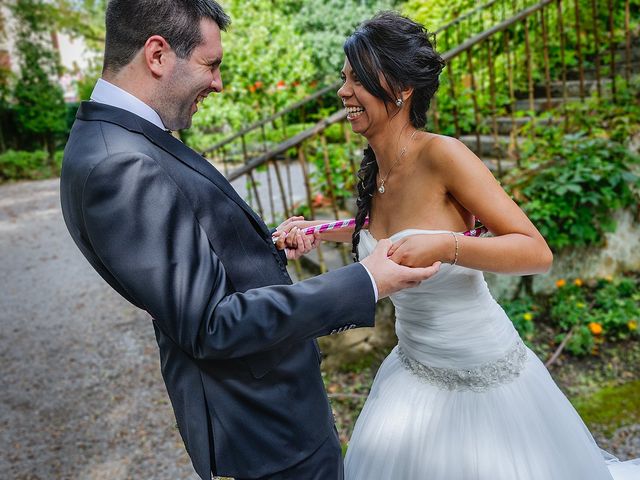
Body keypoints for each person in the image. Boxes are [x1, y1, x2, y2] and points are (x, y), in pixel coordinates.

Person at [59, 2, 441, 479]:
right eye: (211, 64)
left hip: (265, 411)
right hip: (265, 431)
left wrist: (263, 245)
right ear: (157, 54)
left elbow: (190, 260)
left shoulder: (120, 139)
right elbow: (211, 323)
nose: (218, 83)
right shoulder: (121, 164)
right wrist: (364, 281)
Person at [282, 11, 640, 480]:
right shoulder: (378, 165)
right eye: (344, 79)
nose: (343, 92)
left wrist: (447, 247)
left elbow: (535, 250)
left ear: (400, 88)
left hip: (483, 373)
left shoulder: (443, 154)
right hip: (412, 370)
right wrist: (318, 230)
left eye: (357, 80)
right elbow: (386, 235)